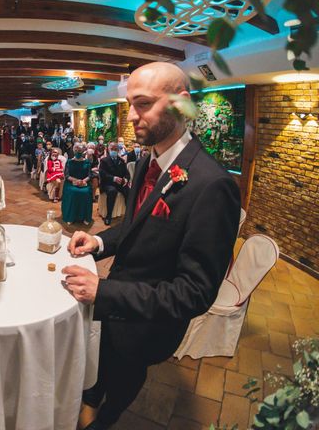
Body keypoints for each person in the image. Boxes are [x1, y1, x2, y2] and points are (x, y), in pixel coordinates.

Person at [62, 62, 241, 429]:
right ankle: (94, 393)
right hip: (114, 302)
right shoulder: (149, 160)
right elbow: (135, 226)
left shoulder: (213, 186)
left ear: (180, 104)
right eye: (130, 104)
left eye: (142, 104)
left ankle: (107, 417)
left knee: (126, 376)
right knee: (103, 364)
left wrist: (105, 292)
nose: (130, 117)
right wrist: (98, 241)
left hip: (147, 325)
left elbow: (194, 293)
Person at [98, 142, 130, 225]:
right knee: (112, 191)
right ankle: (108, 216)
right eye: (112, 149)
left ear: (118, 150)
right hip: (107, 183)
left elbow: (127, 173)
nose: (114, 151)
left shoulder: (121, 161)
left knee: (129, 191)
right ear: (108, 149)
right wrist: (113, 178)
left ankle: (129, 214)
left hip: (119, 183)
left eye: (116, 149)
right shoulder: (104, 160)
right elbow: (102, 174)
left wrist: (125, 180)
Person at [61, 143, 93, 225]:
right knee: (73, 192)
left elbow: (90, 175)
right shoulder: (69, 162)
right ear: (73, 150)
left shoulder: (87, 162)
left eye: (80, 150)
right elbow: (67, 175)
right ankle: (70, 217)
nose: (78, 151)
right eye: (76, 150)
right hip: (71, 183)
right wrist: (76, 180)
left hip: (84, 182)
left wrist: (83, 181)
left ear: (83, 151)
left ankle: (85, 217)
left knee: (85, 192)